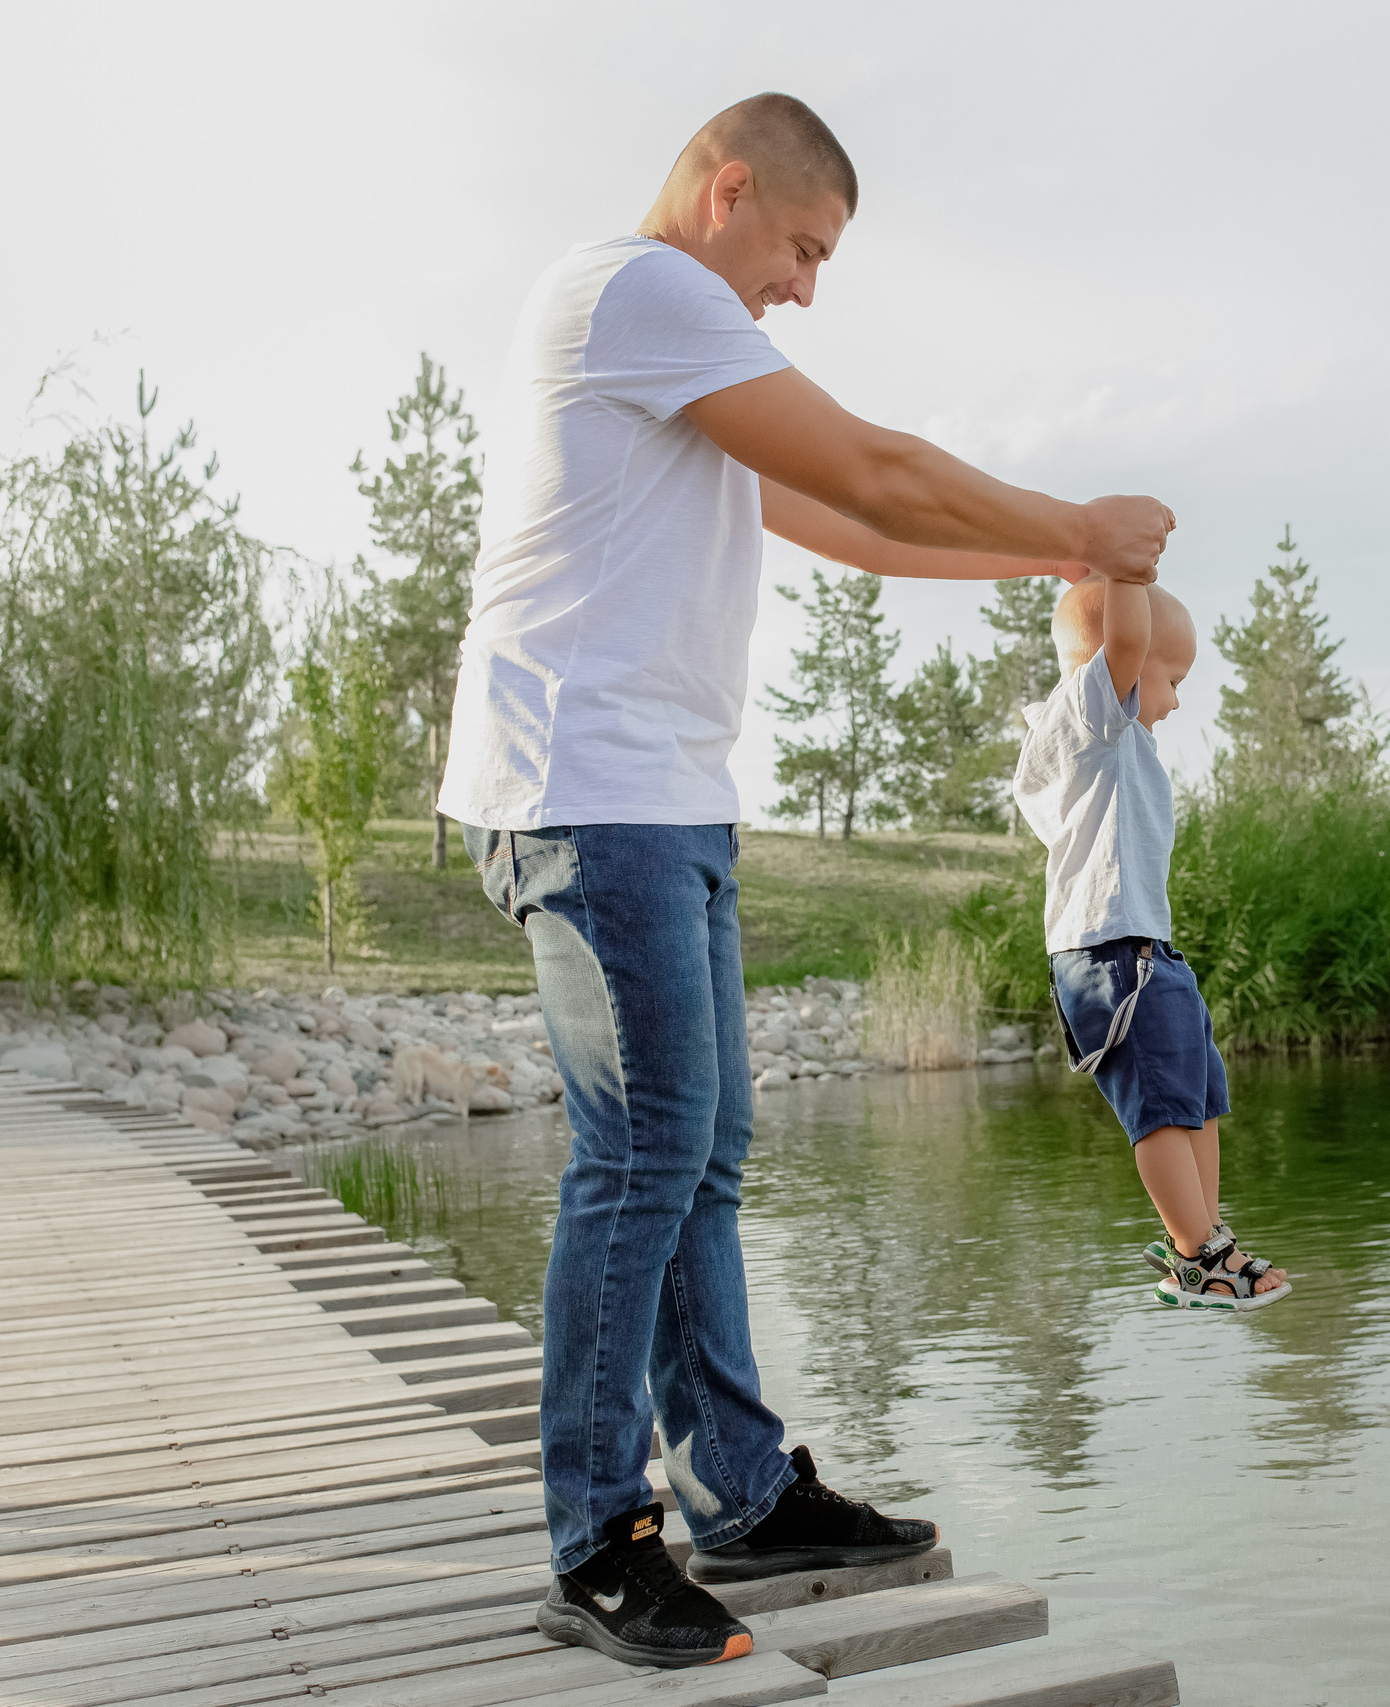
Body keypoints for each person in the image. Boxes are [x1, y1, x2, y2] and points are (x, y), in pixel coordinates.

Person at [439, 92, 1175, 1671]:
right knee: (643, 1154)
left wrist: (1058, 562)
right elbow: (879, 464)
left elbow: (856, 524)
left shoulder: (682, 361)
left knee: (704, 1151)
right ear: (725, 193)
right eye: (801, 246)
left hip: (666, 798)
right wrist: (1081, 519)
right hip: (584, 791)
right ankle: (596, 1540)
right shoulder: (638, 293)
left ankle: (746, 1493)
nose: (806, 285)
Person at [1012, 576, 1291, 1312]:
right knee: (1165, 1105)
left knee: (1198, 1092)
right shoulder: (1094, 720)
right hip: (1112, 953)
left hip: (1143, 948)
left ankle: (1200, 1241)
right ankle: (1202, 1255)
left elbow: (1128, 649)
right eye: (1174, 677)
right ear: (1123, 668)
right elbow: (1124, 643)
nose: (1174, 699)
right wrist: (1125, 566)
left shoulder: (1101, 739)